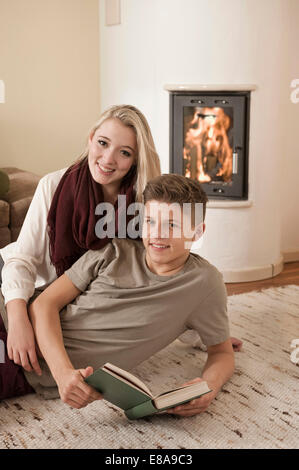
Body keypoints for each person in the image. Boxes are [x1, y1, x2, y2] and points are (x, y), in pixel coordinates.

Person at [0, 174, 235, 417]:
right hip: (13, 318)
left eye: (172, 225)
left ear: (197, 233)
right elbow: (44, 304)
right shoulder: (113, 251)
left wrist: (208, 386)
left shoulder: (205, 284)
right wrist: (63, 374)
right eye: (151, 222)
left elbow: (222, 352)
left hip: (24, 364)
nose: (157, 234)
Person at [0, 104, 161, 377]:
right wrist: (18, 319)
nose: (108, 159)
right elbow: (22, 259)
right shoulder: (53, 185)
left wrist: (198, 330)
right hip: (22, 287)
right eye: (103, 143)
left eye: (124, 153)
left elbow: (160, 271)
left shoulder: (141, 203)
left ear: (135, 160)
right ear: (90, 138)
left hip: (72, 307)